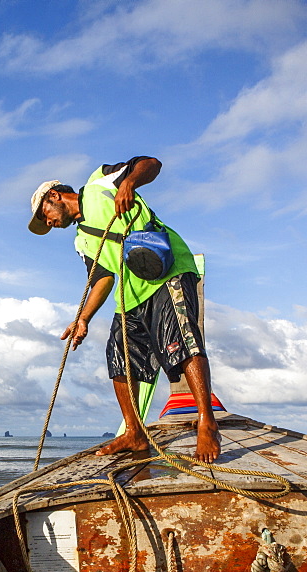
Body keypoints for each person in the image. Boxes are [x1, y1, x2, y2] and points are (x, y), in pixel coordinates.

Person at [27, 156, 220, 464]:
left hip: (166, 271)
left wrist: (129, 182)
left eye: (45, 216)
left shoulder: (99, 183)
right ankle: (134, 433)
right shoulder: (81, 241)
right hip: (129, 293)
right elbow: (102, 279)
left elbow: (152, 164)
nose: (49, 223)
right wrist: (83, 319)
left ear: (54, 196)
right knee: (118, 357)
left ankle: (207, 422)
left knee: (182, 344)